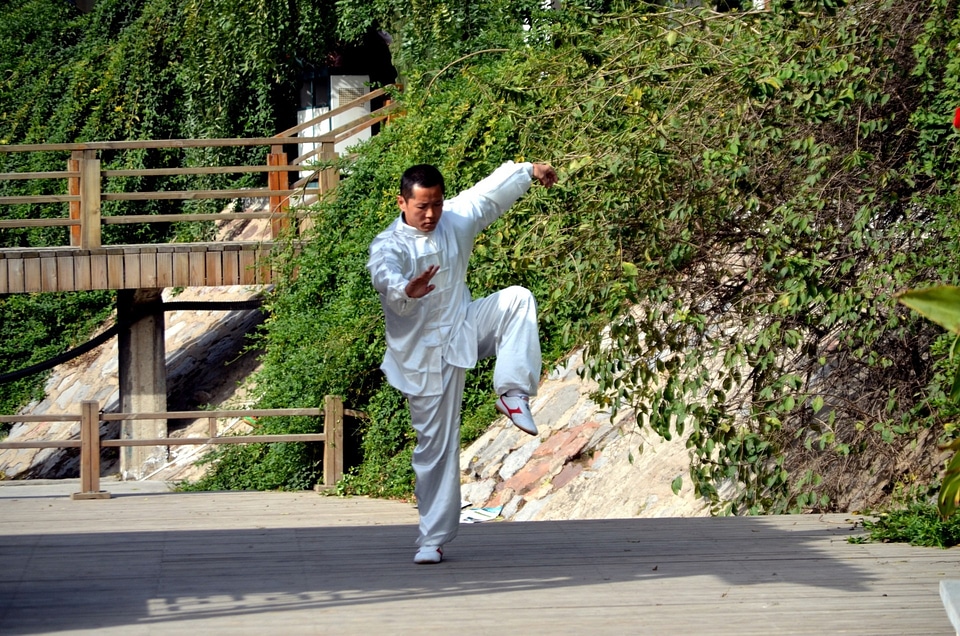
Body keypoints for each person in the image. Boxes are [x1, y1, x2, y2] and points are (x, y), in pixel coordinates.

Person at [367, 159, 558, 564]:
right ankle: (431, 539)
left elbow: (488, 195)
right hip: (422, 358)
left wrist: (528, 171)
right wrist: (406, 288)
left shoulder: (454, 218)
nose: (431, 214)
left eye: (436, 203)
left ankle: (512, 391)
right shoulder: (390, 245)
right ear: (402, 203)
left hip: (463, 326)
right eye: (422, 207)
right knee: (435, 448)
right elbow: (383, 274)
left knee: (517, 299)